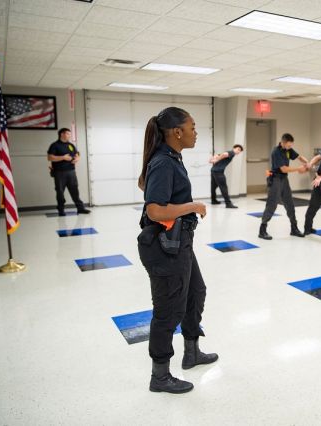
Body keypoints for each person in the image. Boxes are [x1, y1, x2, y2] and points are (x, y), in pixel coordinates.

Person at [136, 107, 218, 395]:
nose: (196, 132)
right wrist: (193, 206)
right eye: (193, 127)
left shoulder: (172, 158)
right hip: (164, 247)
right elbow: (155, 210)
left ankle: (192, 351)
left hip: (179, 241)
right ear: (177, 132)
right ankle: (160, 376)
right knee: (168, 311)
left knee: (196, 292)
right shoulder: (164, 162)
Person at [258, 133, 309, 240]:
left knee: (290, 203)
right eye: (289, 145)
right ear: (283, 143)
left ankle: (294, 228)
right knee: (272, 205)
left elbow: (299, 157)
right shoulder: (276, 152)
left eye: (291, 146)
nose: (290, 147)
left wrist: (308, 163)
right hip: (276, 179)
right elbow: (284, 169)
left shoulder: (288, 150)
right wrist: (299, 169)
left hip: (284, 180)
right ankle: (262, 230)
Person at [47, 128, 90, 216]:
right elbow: (50, 157)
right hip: (59, 173)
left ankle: (80, 209)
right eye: (68, 134)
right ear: (62, 134)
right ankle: (61, 210)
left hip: (71, 172)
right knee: (60, 192)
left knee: (75, 190)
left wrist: (77, 159)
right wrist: (63, 157)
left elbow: (77, 154)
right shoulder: (55, 145)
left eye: (70, 134)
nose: (69, 136)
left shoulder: (71, 145)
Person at [209, 144, 244, 208]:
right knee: (224, 187)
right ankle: (228, 203)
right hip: (218, 172)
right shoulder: (232, 153)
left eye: (240, 151)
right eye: (238, 149)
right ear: (234, 148)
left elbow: (213, 158)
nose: (238, 151)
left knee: (213, 186)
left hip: (213, 170)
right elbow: (225, 155)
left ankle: (213, 200)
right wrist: (217, 160)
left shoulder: (228, 152)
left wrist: (214, 160)